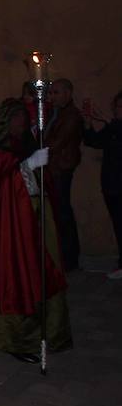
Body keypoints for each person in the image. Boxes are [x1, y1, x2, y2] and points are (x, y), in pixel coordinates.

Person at [0, 98, 72, 361]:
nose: (21, 122)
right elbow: (2, 187)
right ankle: (16, 339)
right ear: (6, 123)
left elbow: (40, 180)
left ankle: (48, 331)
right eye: (16, 118)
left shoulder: (26, 144)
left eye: (23, 117)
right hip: (11, 228)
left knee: (43, 268)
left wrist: (36, 166)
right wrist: (27, 166)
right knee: (18, 273)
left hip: (35, 217)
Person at [45, 78, 84, 270]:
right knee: (59, 211)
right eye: (51, 92)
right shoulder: (57, 112)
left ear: (68, 93)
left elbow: (57, 142)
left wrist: (38, 149)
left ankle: (69, 258)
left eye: (56, 92)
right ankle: (63, 256)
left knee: (62, 212)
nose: (52, 96)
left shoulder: (71, 116)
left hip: (61, 168)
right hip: (55, 167)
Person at [83, 90, 122, 279]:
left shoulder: (115, 127)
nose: (118, 110)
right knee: (118, 224)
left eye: (121, 107)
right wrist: (88, 123)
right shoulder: (112, 127)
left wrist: (107, 120)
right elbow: (94, 141)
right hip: (111, 184)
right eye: (117, 106)